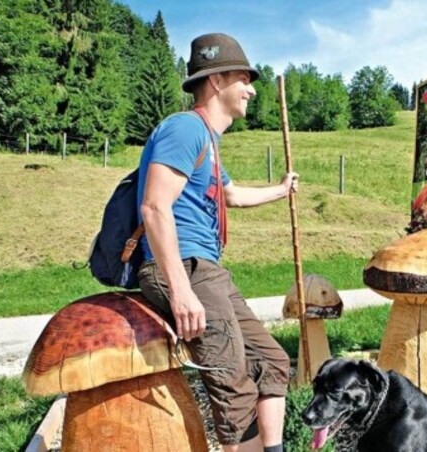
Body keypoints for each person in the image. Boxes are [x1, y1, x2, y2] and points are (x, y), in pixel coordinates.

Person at [136, 33, 297, 452]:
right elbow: (154, 207)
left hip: (208, 269)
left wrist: (281, 190)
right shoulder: (184, 128)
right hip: (184, 267)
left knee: (273, 362)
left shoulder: (208, 141)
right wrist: (181, 289)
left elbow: (231, 196)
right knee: (233, 382)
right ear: (218, 80)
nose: (252, 88)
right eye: (244, 78)